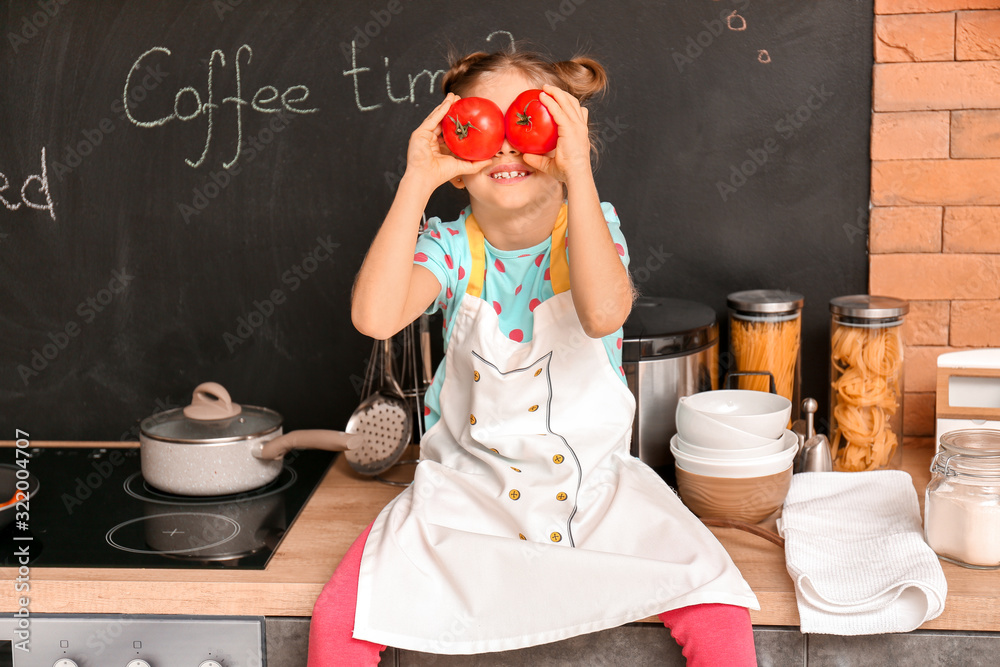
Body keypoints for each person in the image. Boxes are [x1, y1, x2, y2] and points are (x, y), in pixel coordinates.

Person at [308, 48, 759, 666]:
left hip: (594, 492)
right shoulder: (450, 248)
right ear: (458, 166)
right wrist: (416, 180)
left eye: (526, 124)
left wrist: (579, 172)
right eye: (482, 126)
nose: (505, 147)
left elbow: (604, 314)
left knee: (717, 604)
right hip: (466, 494)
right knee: (341, 616)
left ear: (565, 144)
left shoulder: (590, 229)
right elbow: (375, 317)